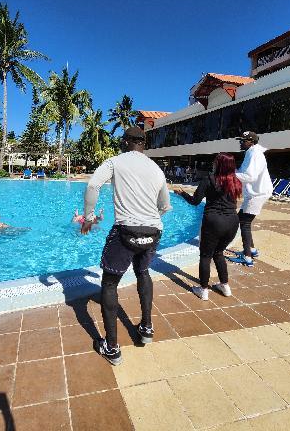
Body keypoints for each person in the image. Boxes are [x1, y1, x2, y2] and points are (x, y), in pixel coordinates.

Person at [81, 127, 172, 365]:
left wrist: (89, 218)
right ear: (144, 144)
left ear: (125, 142)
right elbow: (164, 205)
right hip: (153, 231)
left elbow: (92, 186)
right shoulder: (156, 168)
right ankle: (146, 328)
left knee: (110, 283)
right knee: (143, 272)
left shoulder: (114, 162)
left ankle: (111, 348)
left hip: (126, 231)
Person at [174, 153, 241, 300]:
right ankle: (225, 286)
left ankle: (203, 290)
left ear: (220, 164)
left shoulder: (208, 179)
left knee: (205, 255)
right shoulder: (235, 181)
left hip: (214, 222)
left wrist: (181, 193)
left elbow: (195, 201)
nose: (213, 164)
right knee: (219, 252)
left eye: (216, 162)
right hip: (232, 222)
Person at [233, 131, 273, 267]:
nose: (241, 142)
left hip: (257, 194)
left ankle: (247, 257)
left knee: (244, 222)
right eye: (241, 140)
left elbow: (250, 176)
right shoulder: (251, 152)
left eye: (243, 140)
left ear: (251, 141)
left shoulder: (254, 153)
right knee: (242, 219)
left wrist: (231, 174)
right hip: (254, 193)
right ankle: (251, 249)